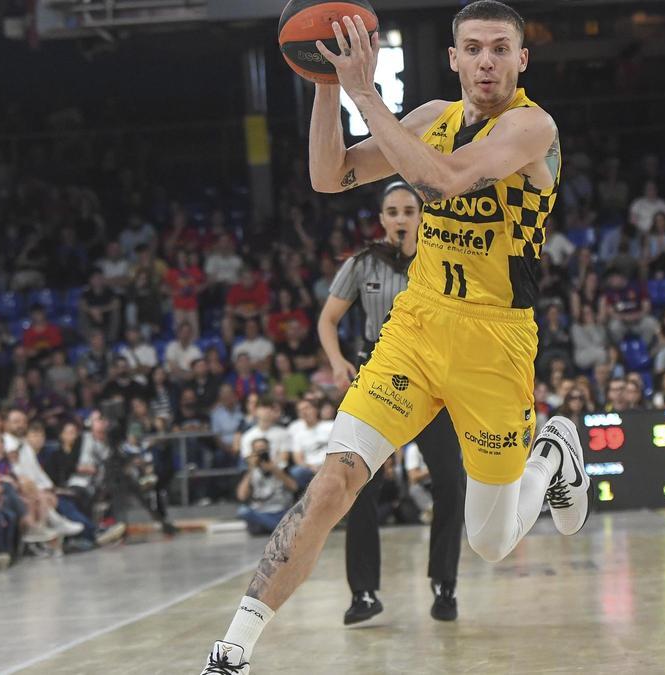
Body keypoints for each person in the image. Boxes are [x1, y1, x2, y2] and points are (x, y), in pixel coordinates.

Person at [203, 4, 590, 671]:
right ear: (454, 59)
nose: (488, 61)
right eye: (474, 49)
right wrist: (326, 81)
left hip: (494, 342)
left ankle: (552, 458)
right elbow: (330, 175)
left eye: (501, 49)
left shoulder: (532, 127)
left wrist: (362, 90)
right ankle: (231, 651)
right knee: (332, 484)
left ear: (522, 59)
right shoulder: (425, 119)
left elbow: (445, 179)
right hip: (416, 325)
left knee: (491, 541)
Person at [317, 181, 466, 626]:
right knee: (357, 481)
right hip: (379, 376)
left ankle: (445, 583)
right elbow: (328, 319)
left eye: (408, 210)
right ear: (382, 219)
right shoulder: (364, 263)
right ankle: (363, 593)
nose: (402, 218)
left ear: (422, 215)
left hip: (434, 380)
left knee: (451, 480)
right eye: (393, 211)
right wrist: (337, 361)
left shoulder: (442, 256)